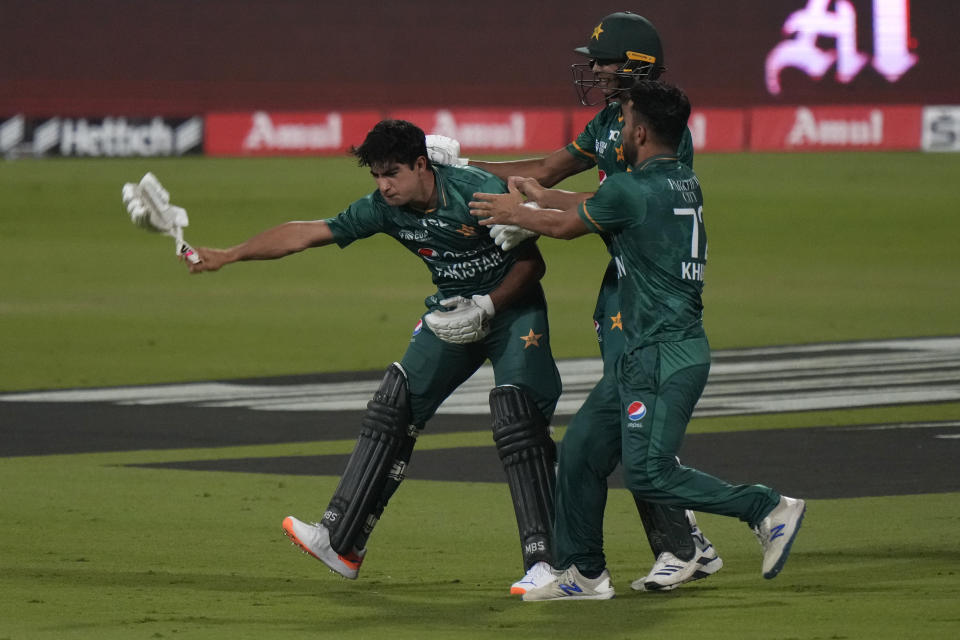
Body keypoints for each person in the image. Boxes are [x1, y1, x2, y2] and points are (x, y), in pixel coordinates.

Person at [184, 119, 563, 593]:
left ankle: (549, 563)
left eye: (392, 174)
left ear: (422, 165)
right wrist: (230, 255)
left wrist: (488, 306)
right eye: (377, 176)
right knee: (394, 402)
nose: (384, 186)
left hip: (512, 312)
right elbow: (307, 234)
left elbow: (533, 264)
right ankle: (341, 542)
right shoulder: (385, 208)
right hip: (452, 313)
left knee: (518, 421)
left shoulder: (477, 192)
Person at [469, 79, 806, 601]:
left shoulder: (629, 188)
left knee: (649, 475)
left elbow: (566, 226)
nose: (619, 129)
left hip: (661, 355)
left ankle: (767, 508)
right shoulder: (680, 181)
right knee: (580, 451)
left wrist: (514, 212)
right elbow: (600, 204)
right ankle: (582, 573)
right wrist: (539, 195)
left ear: (641, 131)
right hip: (650, 352)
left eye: (624, 122)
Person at [428, 11, 721, 593]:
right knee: (622, 408)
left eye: (604, 63)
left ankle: (681, 543)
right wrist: (462, 170)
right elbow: (542, 170)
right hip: (621, 279)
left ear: (635, 66)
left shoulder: (665, 132)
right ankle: (685, 540)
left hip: (650, 288)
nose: (594, 72)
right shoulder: (612, 119)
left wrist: (535, 210)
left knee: (626, 408)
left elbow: (625, 200)